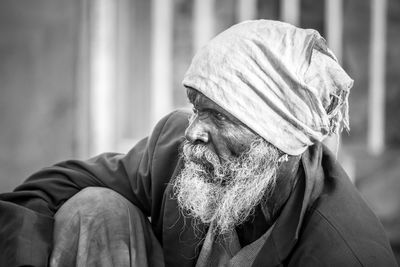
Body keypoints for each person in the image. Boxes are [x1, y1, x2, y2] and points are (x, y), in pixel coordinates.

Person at [0, 20, 397, 267]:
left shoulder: (345, 252)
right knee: (95, 207)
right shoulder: (179, 146)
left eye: (219, 116)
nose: (194, 131)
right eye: (196, 108)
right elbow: (45, 192)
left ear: (279, 141)